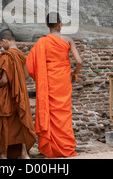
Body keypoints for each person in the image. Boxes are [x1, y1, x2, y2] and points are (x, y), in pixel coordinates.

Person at [26, 12, 82, 158]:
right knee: (63, 114)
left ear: (46, 25)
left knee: (49, 112)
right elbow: (79, 61)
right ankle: (65, 147)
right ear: (60, 24)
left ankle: (49, 148)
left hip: (49, 82)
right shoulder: (68, 39)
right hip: (62, 82)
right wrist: (75, 73)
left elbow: (30, 66)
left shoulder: (42, 42)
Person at [0, 29, 36, 159]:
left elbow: (4, 80)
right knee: (21, 122)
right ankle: (24, 154)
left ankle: (3, 155)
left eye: (1, 44)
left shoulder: (7, 55)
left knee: (3, 123)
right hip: (20, 94)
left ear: (5, 41)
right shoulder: (20, 55)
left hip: (7, 94)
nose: (1, 47)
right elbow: (26, 75)